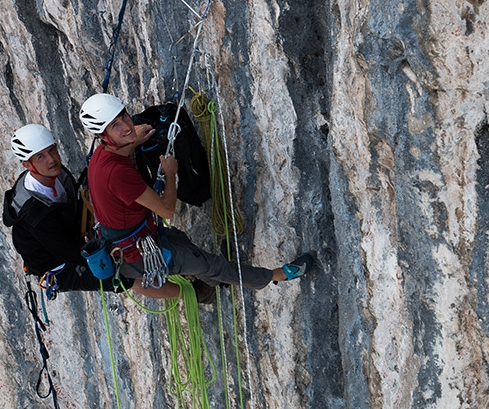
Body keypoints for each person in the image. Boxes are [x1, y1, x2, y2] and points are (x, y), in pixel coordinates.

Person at [79, 93, 313, 300]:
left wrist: (133, 141)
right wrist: (171, 174)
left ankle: (208, 286)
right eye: (115, 126)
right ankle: (275, 276)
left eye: (124, 117)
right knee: (210, 265)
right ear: (103, 135)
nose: (126, 127)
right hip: (138, 255)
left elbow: (123, 154)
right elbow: (167, 210)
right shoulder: (117, 173)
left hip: (133, 242)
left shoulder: (103, 156)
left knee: (182, 241)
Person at [1, 124, 170, 299]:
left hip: (70, 237)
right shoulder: (35, 214)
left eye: (52, 150)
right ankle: (194, 294)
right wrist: (109, 258)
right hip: (58, 267)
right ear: (28, 164)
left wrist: (129, 141)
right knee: (122, 275)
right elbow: (69, 252)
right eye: (41, 157)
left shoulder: (55, 174)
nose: (51, 159)